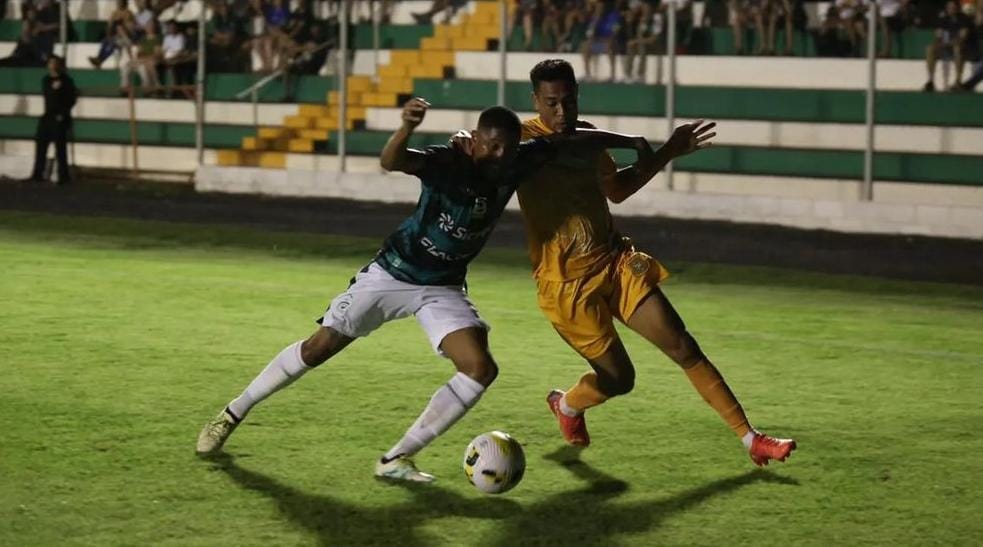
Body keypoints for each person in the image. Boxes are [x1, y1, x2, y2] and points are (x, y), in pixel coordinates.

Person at [196, 99, 653, 481]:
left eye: (506, 149)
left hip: (442, 287)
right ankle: (233, 412)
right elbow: (393, 161)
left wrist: (629, 140)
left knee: (480, 368)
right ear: (475, 140)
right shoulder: (448, 160)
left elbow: (576, 139)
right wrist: (405, 127)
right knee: (319, 348)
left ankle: (395, 459)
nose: (498, 156)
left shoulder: (519, 160)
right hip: (392, 273)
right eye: (491, 146)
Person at [473, 59, 795, 467]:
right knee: (620, 380)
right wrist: (632, 140)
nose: (561, 112)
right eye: (551, 102)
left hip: (614, 262)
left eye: (568, 101)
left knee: (683, 345)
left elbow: (618, 190)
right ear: (534, 100)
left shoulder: (589, 138)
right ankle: (569, 405)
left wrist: (667, 152)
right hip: (566, 287)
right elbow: (555, 148)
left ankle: (752, 439)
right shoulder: (523, 142)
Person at [27, 56, 78, 185]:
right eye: (51, 63)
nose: (53, 66)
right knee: (40, 145)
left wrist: (63, 114)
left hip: (60, 117)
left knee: (60, 148)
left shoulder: (67, 81)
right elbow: (48, 94)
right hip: (48, 115)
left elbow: (70, 99)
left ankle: (63, 176)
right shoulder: (46, 80)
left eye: (55, 63)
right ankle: (38, 173)